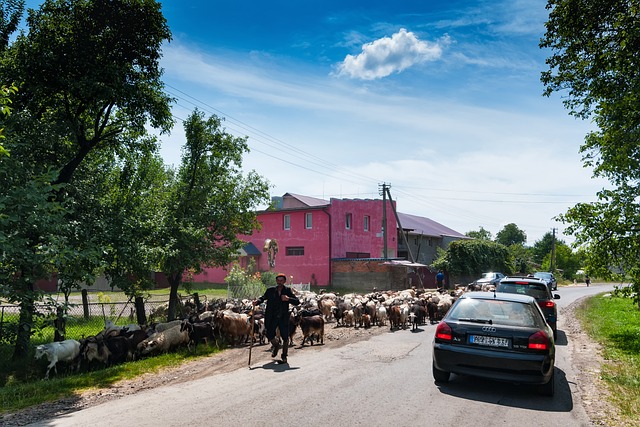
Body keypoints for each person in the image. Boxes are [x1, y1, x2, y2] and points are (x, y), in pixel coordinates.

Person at [253, 273, 300, 364]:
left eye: (281, 280)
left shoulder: (287, 291)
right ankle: (276, 345)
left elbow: (297, 302)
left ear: (284, 281)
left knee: (285, 336)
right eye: (278, 280)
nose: (279, 282)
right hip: (272, 317)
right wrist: (257, 302)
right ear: (276, 281)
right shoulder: (270, 290)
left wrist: (288, 299)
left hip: (283, 317)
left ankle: (284, 356)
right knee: (269, 334)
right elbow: (263, 298)